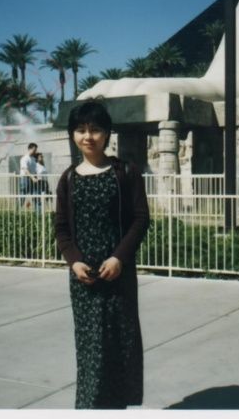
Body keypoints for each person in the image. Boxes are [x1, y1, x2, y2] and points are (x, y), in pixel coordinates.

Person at [54, 99, 150, 409]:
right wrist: (74, 261)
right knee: (91, 350)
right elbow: (61, 228)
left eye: (95, 129)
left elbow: (140, 219)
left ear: (107, 133)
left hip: (118, 275)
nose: (88, 136)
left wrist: (119, 257)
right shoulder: (68, 178)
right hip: (85, 280)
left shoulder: (125, 172)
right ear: (72, 134)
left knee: (120, 347)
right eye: (80, 130)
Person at [19, 143, 39, 209]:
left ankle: (38, 212)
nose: (35, 151)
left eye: (36, 150)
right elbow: (25, 170)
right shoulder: (24, 158)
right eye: (34, 150)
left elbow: (34, 170)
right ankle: (17, 211)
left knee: (35, 195)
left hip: (32, 179)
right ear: (29, 149)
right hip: (25, 178)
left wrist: (36, 177)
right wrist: (32, 177)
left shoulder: (33, 159)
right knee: (22, 196)